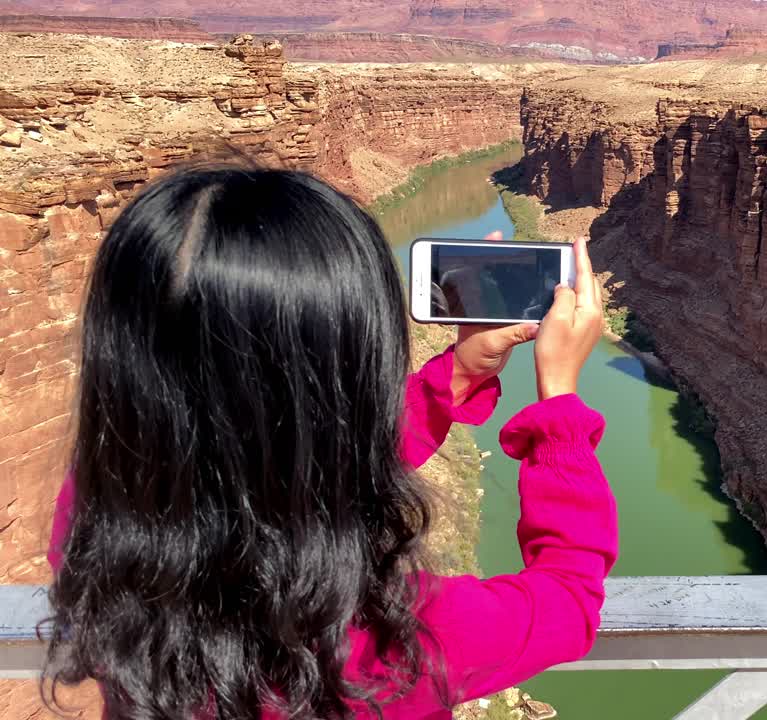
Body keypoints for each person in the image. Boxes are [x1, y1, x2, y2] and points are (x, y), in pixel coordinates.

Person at [42, 164, 617, 720]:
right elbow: (568, 599)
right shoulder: (402, 637)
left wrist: (460, 377)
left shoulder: (94, 530)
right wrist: (558, 399)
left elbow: (293, 452)